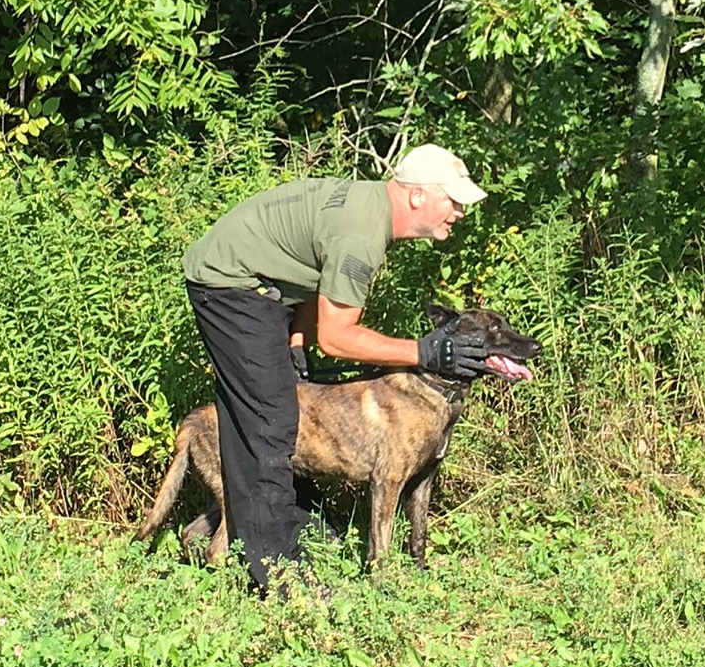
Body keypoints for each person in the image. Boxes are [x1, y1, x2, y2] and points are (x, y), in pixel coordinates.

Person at [181, 144, 489, 593]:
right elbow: (338, 336)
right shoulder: (361, 236)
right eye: (453, 199)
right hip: (230, 284)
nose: (460, 211)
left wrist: (295, 346)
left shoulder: (369, 211)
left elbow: (310, 277)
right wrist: (424, 353)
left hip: (258, 286)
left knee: (275, 407)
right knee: (270, 422)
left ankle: (278, 531)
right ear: (417, 195)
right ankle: (281, 573)